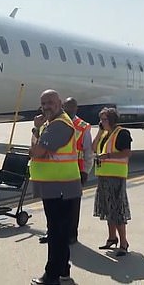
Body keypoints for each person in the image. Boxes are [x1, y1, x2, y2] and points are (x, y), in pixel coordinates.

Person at [29, 90, 82, 285]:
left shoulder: (59, 124)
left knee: (56, 234)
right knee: (60, 232)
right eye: (43, 103)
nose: (46, 106)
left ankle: (51, 276)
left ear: (59, 103)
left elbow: (37, 151)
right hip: (59, 185)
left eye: (50, 102)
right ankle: (63, 274)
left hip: (60, 186)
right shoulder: (53, 123)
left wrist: (35, 131)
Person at [39, 97, 93, 245]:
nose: (68, 111)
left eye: (72, 108)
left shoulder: (82, 126)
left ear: (76, 109)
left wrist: (86, 171)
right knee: (53, 207)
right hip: (54, 172)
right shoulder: (52, 123)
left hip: (74, 172)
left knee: (72, 206)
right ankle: (52, 232)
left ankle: (71, 234)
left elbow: (88, 151)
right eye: (66, 108)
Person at [92, 107, 132, 257]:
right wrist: (99, 131)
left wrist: (108, 156)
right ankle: (111, 238)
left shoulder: (121, 133)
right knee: (108, 209)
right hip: (103, 176)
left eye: (104, 119)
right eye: (100, 120)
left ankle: (123, 242)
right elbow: (93, 148)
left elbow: (127, 153)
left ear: (112, 120)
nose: (101, 122)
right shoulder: (104, 133)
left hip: (116, 177)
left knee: (117, 210)